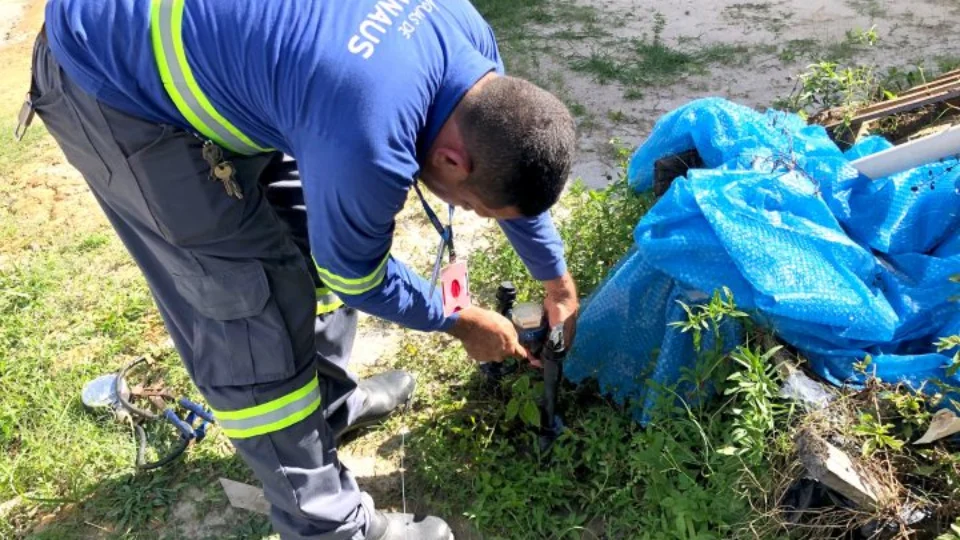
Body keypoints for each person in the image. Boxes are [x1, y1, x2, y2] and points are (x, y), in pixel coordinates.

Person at [24, 0, 579, 537]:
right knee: (249, 308)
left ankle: (332, 407)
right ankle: (326, 524)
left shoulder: (471, 55)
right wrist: (456, 320)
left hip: (231, 60)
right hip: (115, 82)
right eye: (475, 207)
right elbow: (358, 277)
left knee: (310, 230)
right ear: (453, 160)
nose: (475, 214)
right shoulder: (369, 135)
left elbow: (507, 178)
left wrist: (557, 280)